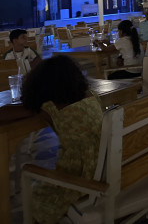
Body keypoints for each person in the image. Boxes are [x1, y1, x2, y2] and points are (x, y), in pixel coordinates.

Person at [0, 55, 103, 224]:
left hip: (80, 181)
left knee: (37, 197)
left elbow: (3, 113)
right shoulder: (92, 96)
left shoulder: (50, 108)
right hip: (103, 169)